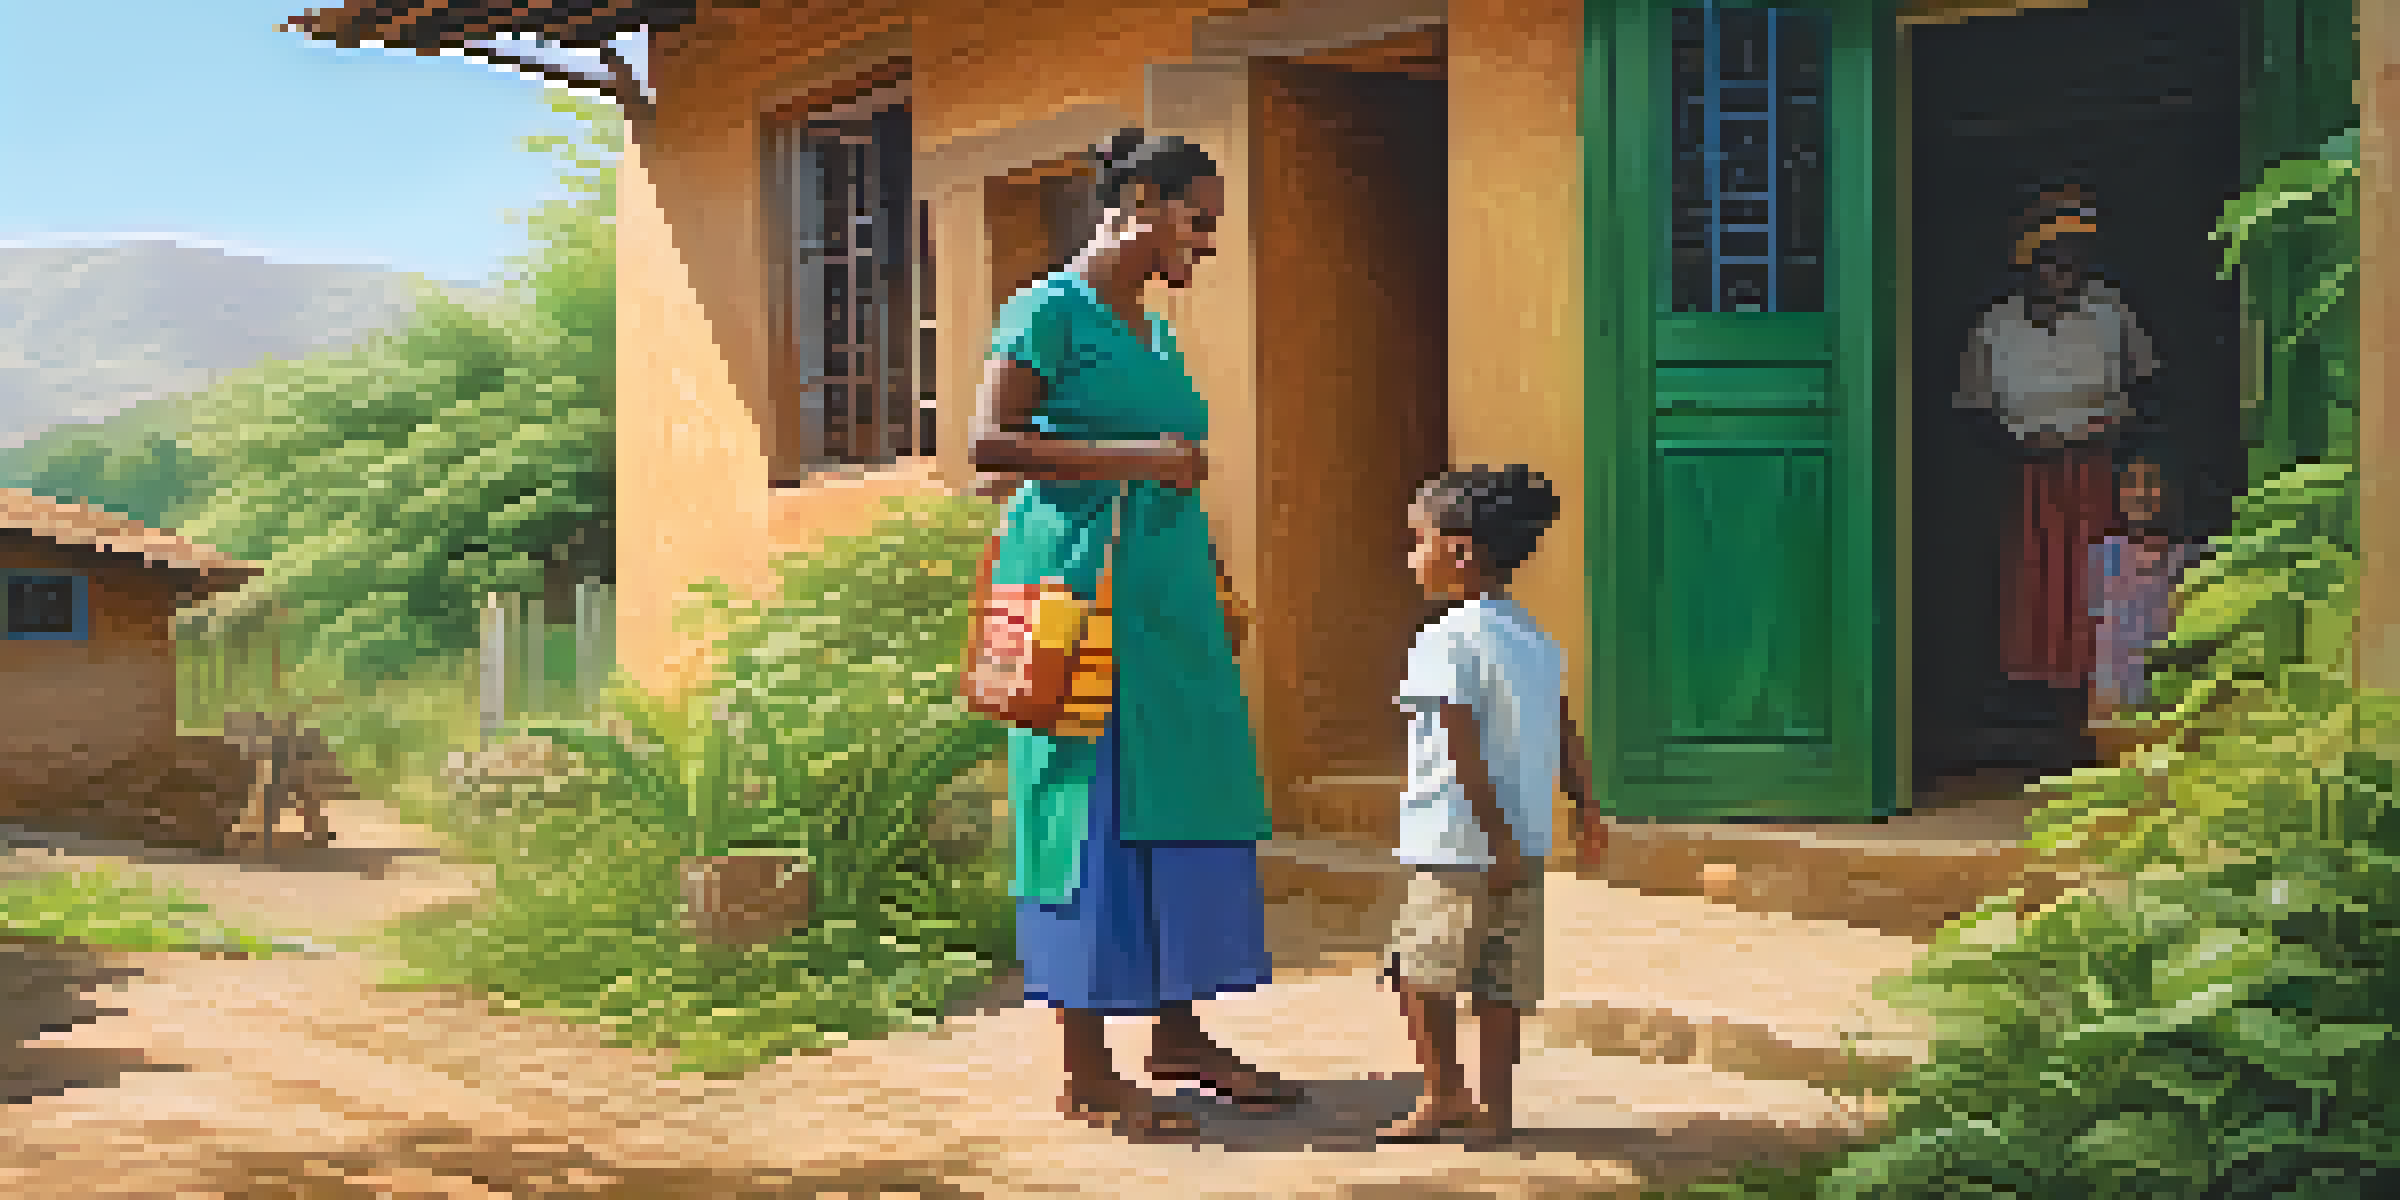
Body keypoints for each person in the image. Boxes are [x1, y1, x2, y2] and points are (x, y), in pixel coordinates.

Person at [967, 127, 1302, 1143]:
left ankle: (1178, 1033)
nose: (1205, 243)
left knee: (1182, 805)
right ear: (1142, 203)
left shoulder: (1152, 333)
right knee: (1086, 814)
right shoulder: (1047, 310)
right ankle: (1085, 1071)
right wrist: (1139, 460)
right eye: (1198, 221)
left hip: (1166, 616)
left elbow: (1167, 461)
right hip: (1083, 609)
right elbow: (987, 449)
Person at [1378, 465, 1593, 1145]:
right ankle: (1495, 1112)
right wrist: (1587, 808)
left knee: (1420, 972)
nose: (1412, 557)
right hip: (1523, 844)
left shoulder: (1444, 639)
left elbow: (1458, 744)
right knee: (1502, 984)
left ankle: (1444, 1094)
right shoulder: (1532, 638)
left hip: (1455, 845)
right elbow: (1564, 729)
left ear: (1461, 550)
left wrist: (1491, 837)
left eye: (1419, 541)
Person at [1954, 178, 2164, 767]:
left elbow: (2148, 392)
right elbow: (1972, 410)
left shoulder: (2109, 313)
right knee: (2035, 592)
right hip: (2026, 477)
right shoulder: (1994, 326)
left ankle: (2099, 713)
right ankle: (2040, 719)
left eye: (2072, 258)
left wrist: (2115, 444)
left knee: (2102, 589)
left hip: (2099, 469)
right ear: (2028, 265)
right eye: (2050, 259)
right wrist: (2025, 447)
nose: (2062, 270)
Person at [2086, 441, 2204, 760]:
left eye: (2150, 482)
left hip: (2166, 698)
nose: (2140, 493)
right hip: (2114, 700)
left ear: (2171, 491)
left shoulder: (2190, 560)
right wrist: (2099, 705)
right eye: (2131, 483)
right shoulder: (2105, 554)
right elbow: (2101, 635)